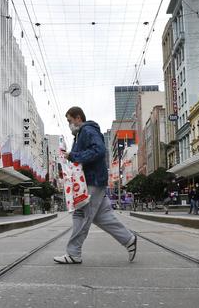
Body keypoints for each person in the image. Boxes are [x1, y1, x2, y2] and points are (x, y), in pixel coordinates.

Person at [53, 107, 136, 264]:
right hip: (92, 180)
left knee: (81, 215)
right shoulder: (80, 134)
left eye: (70, 121)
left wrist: (73, 155)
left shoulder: (87, 130)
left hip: (93, 181)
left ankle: (73, 253)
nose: (69, 124)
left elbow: (99, 150)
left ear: (78, 118)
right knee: (102, 216)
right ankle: (129, 239)